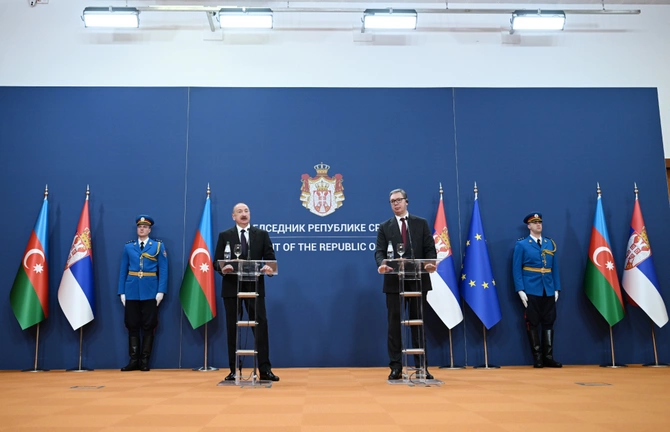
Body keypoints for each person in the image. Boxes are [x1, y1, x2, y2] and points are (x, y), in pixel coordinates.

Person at [375, 189, 437, 380]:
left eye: (398, 200)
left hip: (418, 280)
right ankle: (396, 367)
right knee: (394, 325)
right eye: (392, 201)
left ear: (406, 201)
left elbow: (430, 249)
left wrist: (429, 263)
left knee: (418, 324)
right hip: (394, 281)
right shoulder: (385, 227)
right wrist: (382, 264)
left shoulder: (421, 223)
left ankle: (421, 367)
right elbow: (379, 251)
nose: (396, 203)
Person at [213, 203, 279, 382]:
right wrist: (222, 268)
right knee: (232, 328)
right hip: (231, 287)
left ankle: (264, 370)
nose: (244, 214)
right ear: (233, 216)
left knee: (261, 327)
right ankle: (234, 370)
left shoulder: (262, 234)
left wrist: (268, 268)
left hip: (254, 287)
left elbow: (270, 259)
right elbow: (216, 261)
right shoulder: (225, 235)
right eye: (240, 212)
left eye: (246, 211)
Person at [118, 215, 168, 372]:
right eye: (140, 227)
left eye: (145, 227)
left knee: (149, 325)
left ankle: (145, 360)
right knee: (132, 324)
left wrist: (161, 291)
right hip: (131, 289)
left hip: (150, 290)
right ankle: (133, 360)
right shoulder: (129, 247)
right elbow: (123, 270)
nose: (142, 229)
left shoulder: (157, 246)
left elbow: (164, 270)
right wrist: (122, 292)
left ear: (149, 230)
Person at [512, 213, 562, 368]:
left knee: (549, 321)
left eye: (540, 222)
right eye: (534, 223)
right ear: (529, 226)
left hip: (548, 288)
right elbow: (516, 269)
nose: (538, 224)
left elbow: (554, 268)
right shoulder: (522, 244)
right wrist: (520, 289)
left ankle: (548, 357)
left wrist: (556, 288)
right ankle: (538, 357)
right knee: (532, 322)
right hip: (531, 288)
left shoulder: (549, 243)